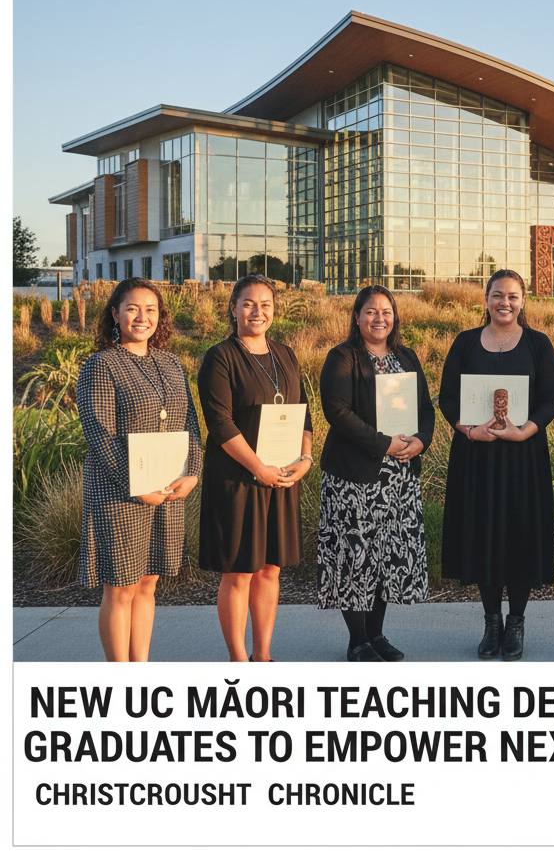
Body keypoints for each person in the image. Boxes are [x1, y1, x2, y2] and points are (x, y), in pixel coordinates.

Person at [77, 278, 202, 661]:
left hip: (165, 490)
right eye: (132, 308)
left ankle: (141, 669)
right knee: (121, 587)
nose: (142, 317)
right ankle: (121, 682)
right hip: (118, 492)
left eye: (150, 309)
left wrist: (193, 471)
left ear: (160, 316)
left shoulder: (170, 362)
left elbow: (190, 424)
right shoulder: (101, 365)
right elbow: (100, 434)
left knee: (148, 583)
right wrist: (137, 484)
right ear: (115, 313)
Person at [439, 269, 554, 660]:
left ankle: (517, 623)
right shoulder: (465, 342)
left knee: (519, 535)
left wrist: (524, 431)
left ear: (523, 300)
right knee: (483, 534)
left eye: (511, 296)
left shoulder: (539, 345)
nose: (504, 303)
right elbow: (447, 398)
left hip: (522, 457)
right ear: (485, 299)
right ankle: (492, 622)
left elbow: (549, 399)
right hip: (476, 456)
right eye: (496, 295)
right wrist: (468, 430)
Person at [198, 274, 313, 662]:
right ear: (233, 309)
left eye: (265, 304)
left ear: (274, 311)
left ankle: (263, 655)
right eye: (248, 303)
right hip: (238, 479)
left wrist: (306, 458)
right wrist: (257, 467)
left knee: (269, 569)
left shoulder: (285, 354)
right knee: (239, 572)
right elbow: (220, 423)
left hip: (280, 478)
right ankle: (239, 660)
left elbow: (304, 414)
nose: (257, 311)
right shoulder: (220, 356)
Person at [317, 284, 435, 662]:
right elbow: (337, 412)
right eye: (370, 311)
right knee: (355, 556)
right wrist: (383, 443)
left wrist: (421, 440)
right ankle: (358, 641)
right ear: (356, 316)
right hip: (354, 478)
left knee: (386, 556)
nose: (379, 318)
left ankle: (378, 634)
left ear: (395, 317)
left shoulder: (406, 356)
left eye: (386, 311)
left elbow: (425, 409)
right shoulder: (343, 357)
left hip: (399, 477)